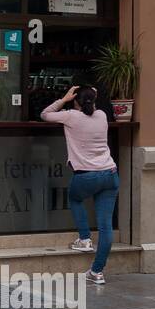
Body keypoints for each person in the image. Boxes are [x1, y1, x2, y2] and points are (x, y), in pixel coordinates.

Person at [41, 85, 119, 285]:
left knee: (75, 198)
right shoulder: (101, 115)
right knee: (105, 226)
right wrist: (89, 92)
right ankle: (96, 272)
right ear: (94, 99)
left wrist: (65, 98)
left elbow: (45, 114)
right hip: (110, 174)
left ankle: (84, 239)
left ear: (76, 101)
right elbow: (94, 94)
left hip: (86, 176)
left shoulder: (70, 116)